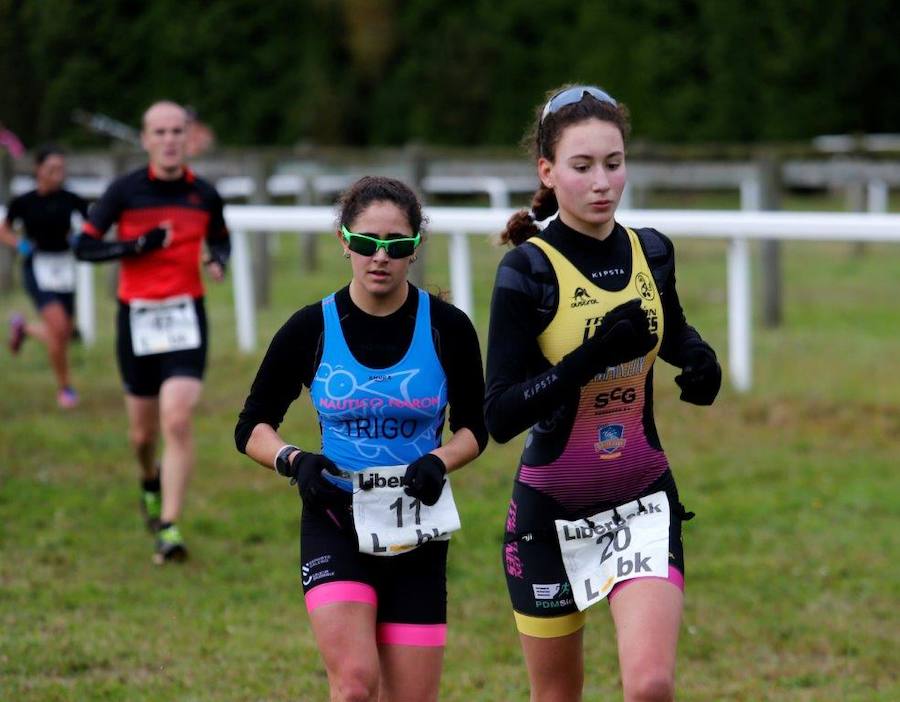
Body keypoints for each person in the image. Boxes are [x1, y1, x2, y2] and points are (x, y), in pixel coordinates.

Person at [484, 85, 722, 702]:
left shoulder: (652, 250)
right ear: (547, 171)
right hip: (548, 510)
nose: (602, 183)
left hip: (642, 498)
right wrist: (589, 359)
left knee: (650, 685)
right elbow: (501, 414)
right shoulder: (527, 271)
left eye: (613, 164)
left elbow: (668, 329)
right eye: (582, 166)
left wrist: (699, 360)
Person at [235, 176, 487, 702]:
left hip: (417, 527)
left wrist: (440, 460)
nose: (380, 257)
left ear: (414, 250)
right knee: (353, 686)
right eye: (368, 243)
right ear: (344, 240)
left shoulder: (448, 328)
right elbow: (251, 425)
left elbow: (474, 430)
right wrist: (294, 461)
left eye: (396, 246)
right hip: (334, 518)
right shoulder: (310, 328)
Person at [73, 100, 231, 564]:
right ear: (145, 140)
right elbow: (83, 246)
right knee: (142, 436)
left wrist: (217, 259)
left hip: (186, 317)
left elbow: (221, 236)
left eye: (176, 131)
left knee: (177, 419)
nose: (168, 140)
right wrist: (135, 246)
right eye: (159, 132)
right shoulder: (124, 191)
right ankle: (148, 478)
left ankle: (169, 525)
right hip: (136, 320)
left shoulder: (204, 193)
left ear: (189, 137)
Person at [1, 145, 89, 408]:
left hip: (65, 268)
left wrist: (81, 238)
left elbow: (92, 226)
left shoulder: (72, 200)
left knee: (65, 332)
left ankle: (24, 328)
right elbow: (3, 230)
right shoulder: (24, 202)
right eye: (51, 169)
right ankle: (65, 388)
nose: (57, 174)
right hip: (38, 268)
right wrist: (19, 244)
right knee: (59, 328)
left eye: (61, 169)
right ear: (38, 170)